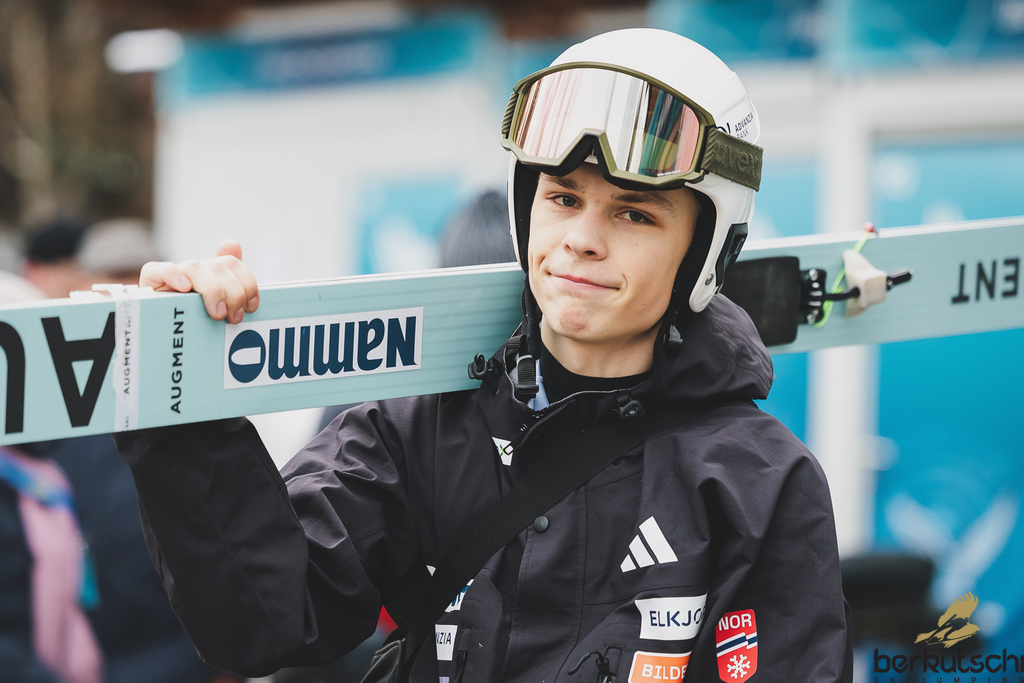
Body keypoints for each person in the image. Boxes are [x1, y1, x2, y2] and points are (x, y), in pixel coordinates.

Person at [115, 29, 852, 682]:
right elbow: (264, 622)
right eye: (563, 198)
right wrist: (183, 398)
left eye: (634, 213)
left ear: (706, 248)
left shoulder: (756, 482)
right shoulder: (419, 430)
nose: (581, 240)